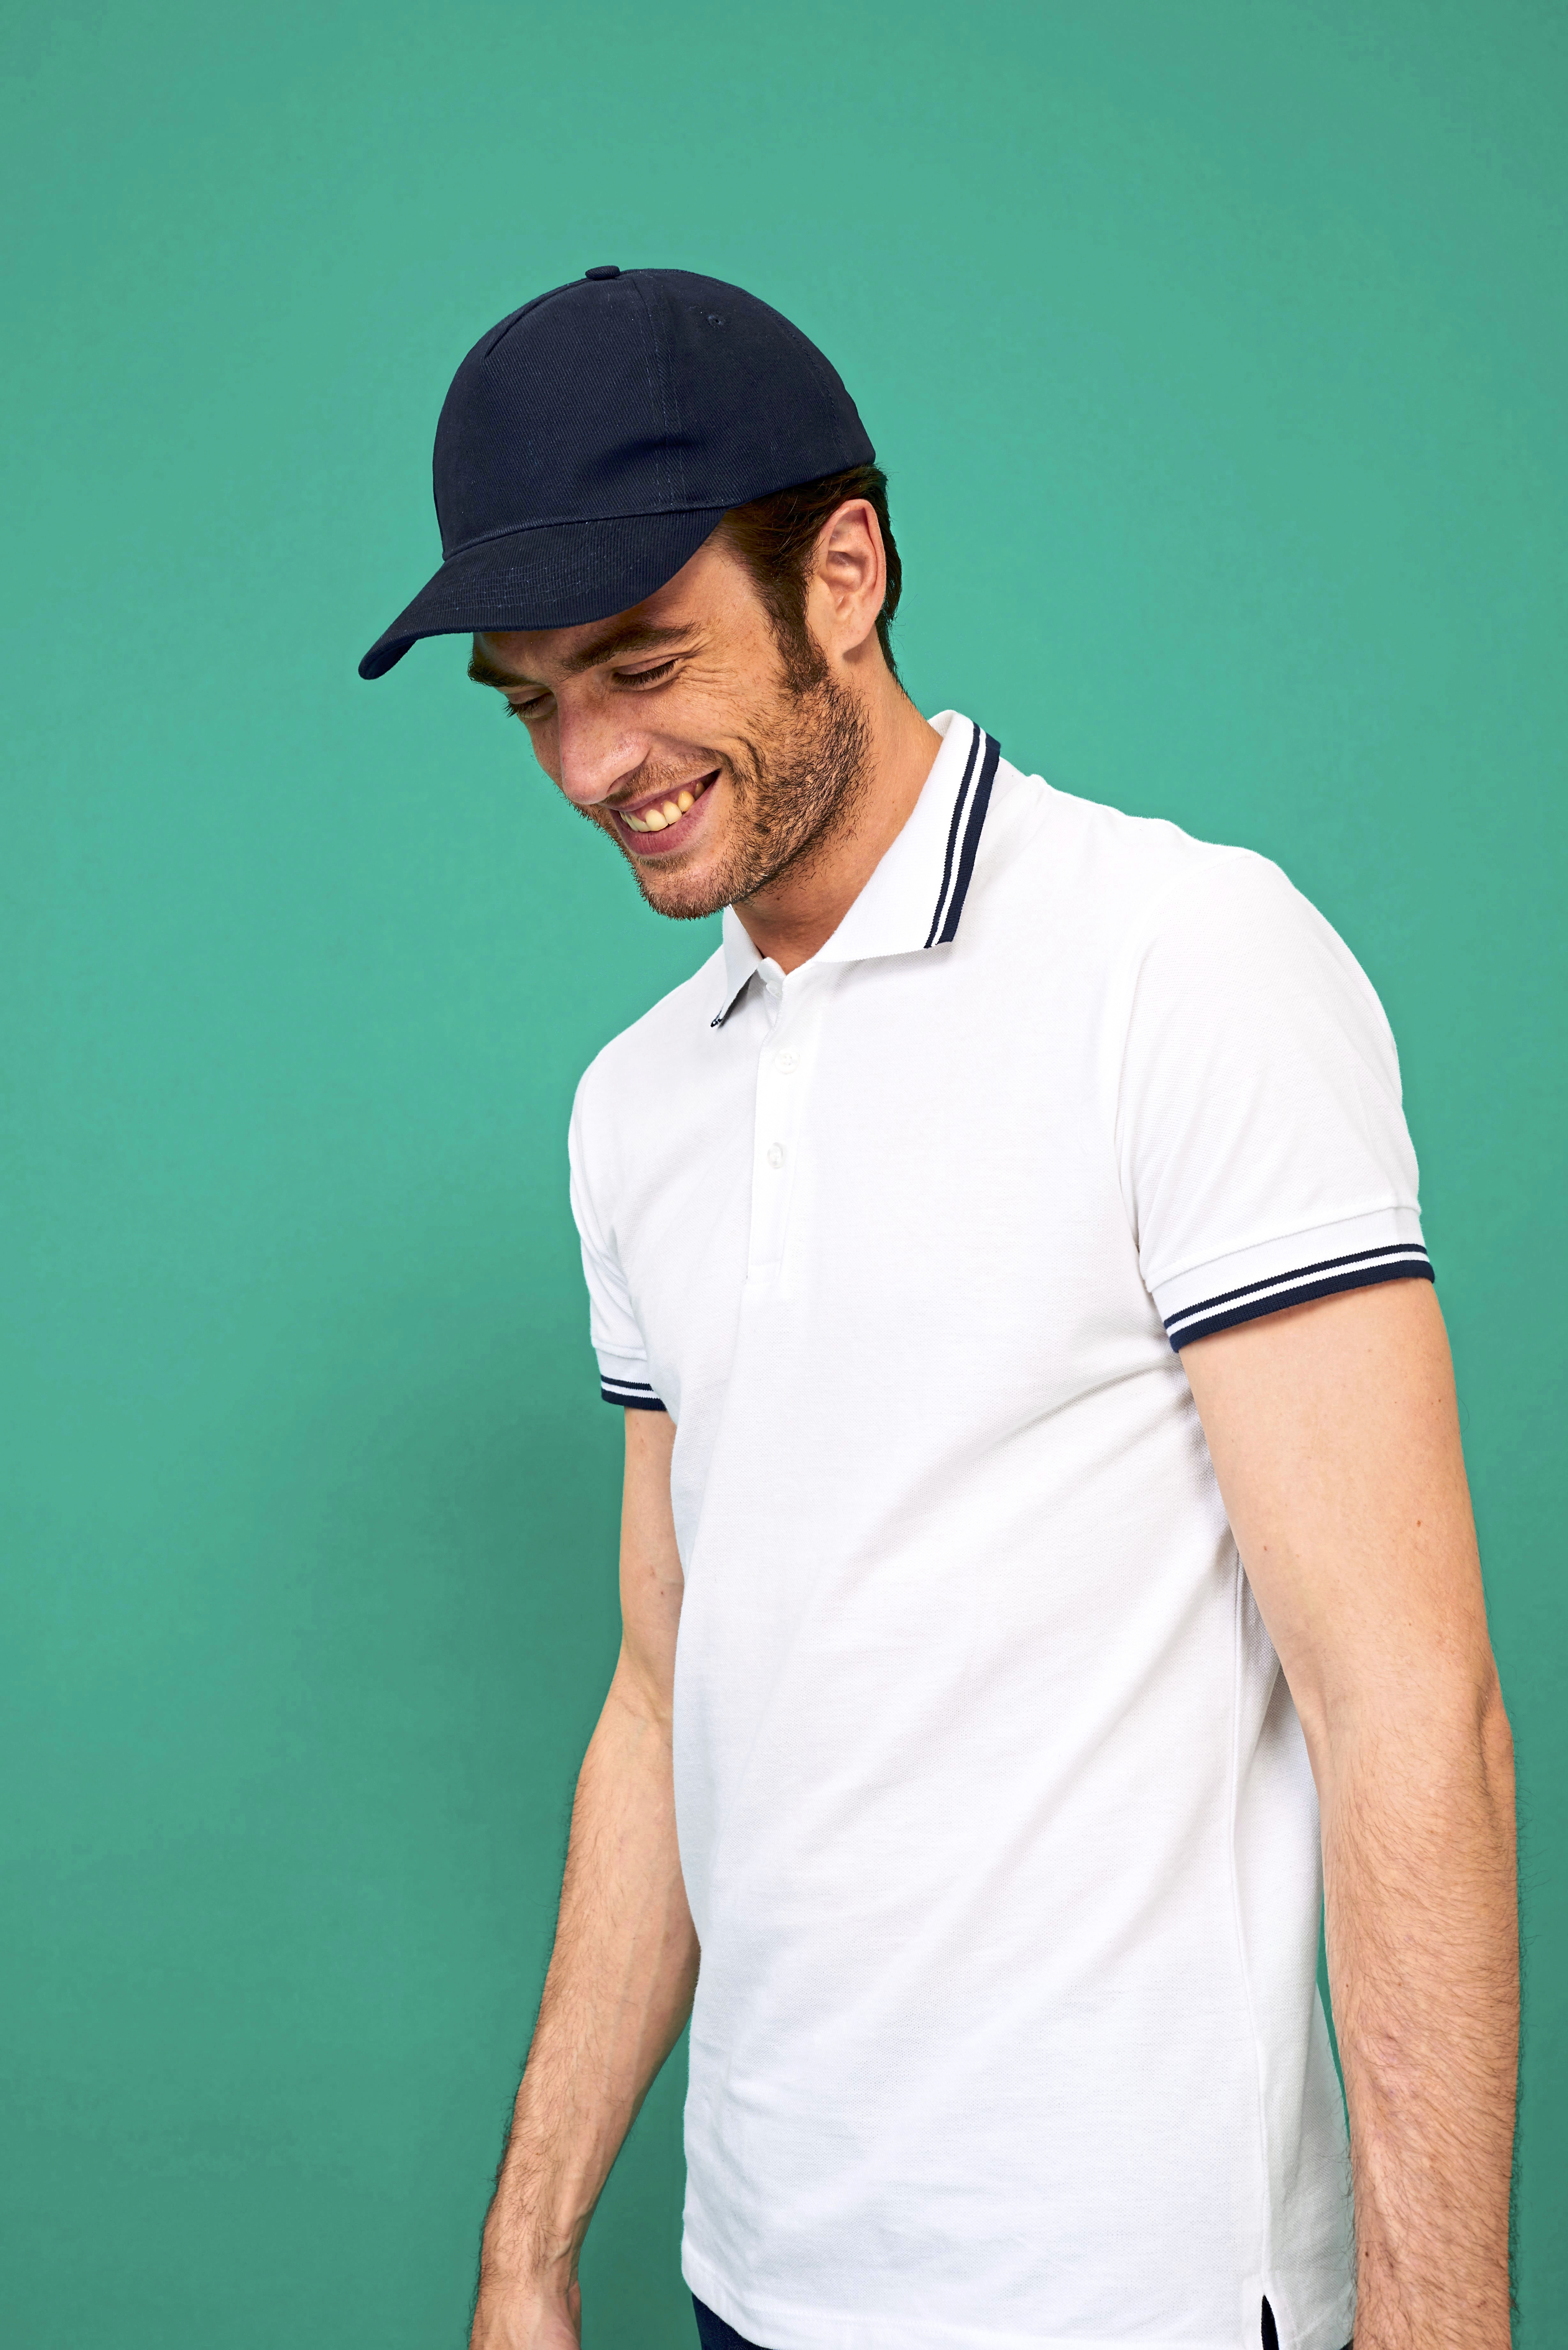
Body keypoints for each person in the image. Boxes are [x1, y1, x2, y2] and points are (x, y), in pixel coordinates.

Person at [360, 269, 1517, 2350]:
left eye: (641, 664)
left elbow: (1409, 1714)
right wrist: (532, 2241)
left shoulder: (1182, 964)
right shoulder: (635, 1108)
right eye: (531, 701)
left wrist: (1439, 2324)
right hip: (757, 2276)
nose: (592, 762)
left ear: (847, 574)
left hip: (1129, 2293)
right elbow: (664, 1691)